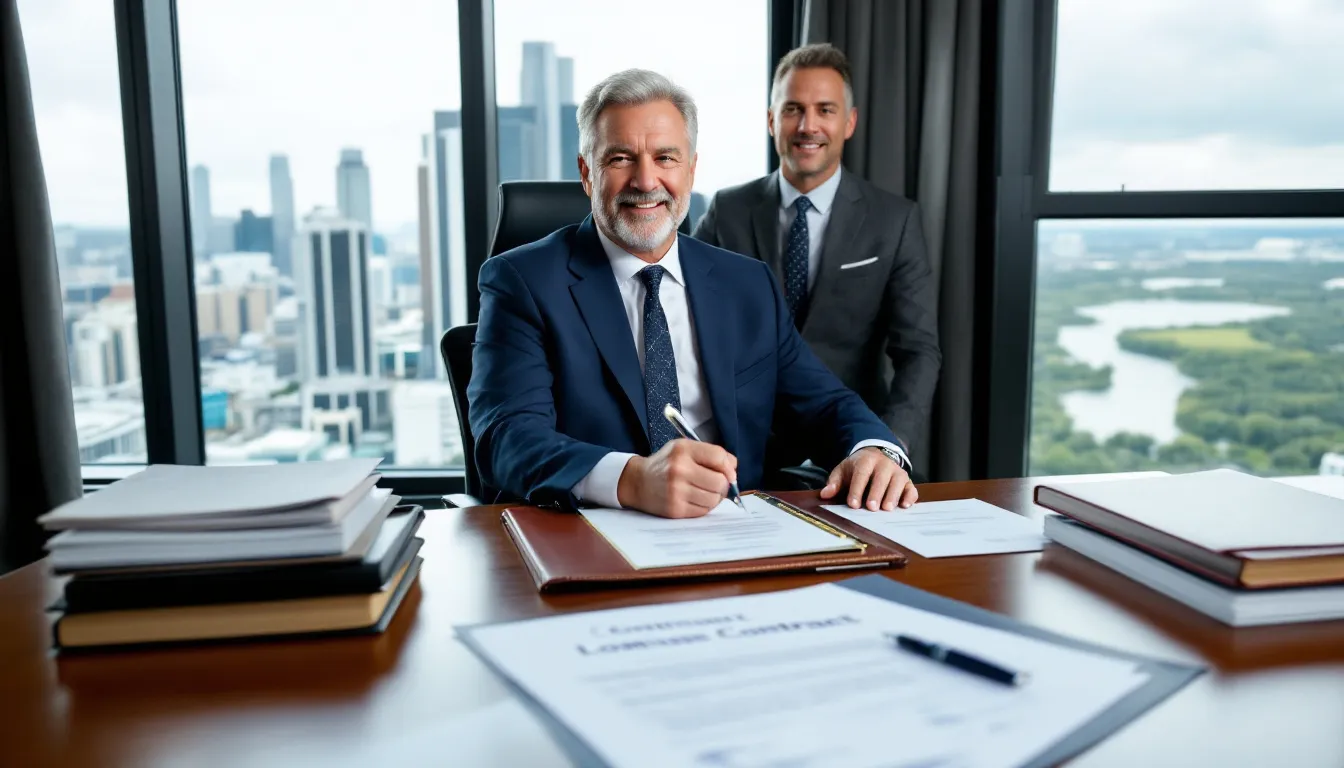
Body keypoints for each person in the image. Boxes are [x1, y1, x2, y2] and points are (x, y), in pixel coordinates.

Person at [468, 68, 917, 519]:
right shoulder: (521, 281)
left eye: (666, 158)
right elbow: (507, 437)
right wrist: (632, 479)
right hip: (589, 535)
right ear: (587, 172)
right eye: (620, 158)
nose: (646, 182)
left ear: (691, 169)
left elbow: (824, 402)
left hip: (737, 535)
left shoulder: (746, 284)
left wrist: (874, 450)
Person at [693, 43, 941, 470]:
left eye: (825, 110)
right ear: (772, 121)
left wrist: (886, 445)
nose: (808, 126)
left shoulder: (894, 220)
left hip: (852, 447)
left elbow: (918, 350)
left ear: (849, 122)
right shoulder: (727, 210)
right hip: (742, 449)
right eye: (793, 110)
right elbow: (682, 313)